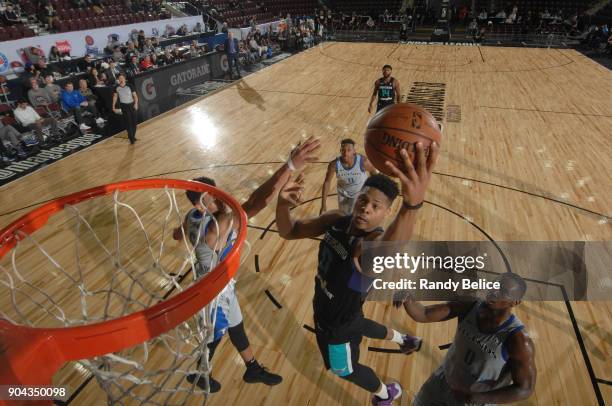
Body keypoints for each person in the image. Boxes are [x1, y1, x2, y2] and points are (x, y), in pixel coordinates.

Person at [275, 142, 439, 405]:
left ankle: (386, 394)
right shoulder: (336, 220)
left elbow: (388, 250)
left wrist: (412, 206)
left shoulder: (370, 242)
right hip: (335, 308)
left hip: (337, 325)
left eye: (376, 207)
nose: (366, 209)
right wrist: (282, 206)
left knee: (345, 369)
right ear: (357, 197)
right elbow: (289, 231)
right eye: (364, 200)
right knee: (359, 322)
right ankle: (403, 338)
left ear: (386, 213)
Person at [174, 137, 321, 393]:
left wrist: (181, 234)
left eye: (217, 193)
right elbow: (256, 203)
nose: (219, 200)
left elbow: (179, 232)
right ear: (200, 205)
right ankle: (200, 372)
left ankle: (252, 368)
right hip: (212, 294)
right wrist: (289, 166)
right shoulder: (215, 227)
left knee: (237, 326)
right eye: (212, 198)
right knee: (215, 335)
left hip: (222, 285)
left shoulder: (192, 216)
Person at [397, 273, 536, 405]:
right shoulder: (470, 305)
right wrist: (406, 296)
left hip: (475, 401)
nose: (494, 291)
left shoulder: (518, 340)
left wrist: (479, 398)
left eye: (503, 291)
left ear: (515, 302)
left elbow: (525, 389)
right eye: (495, 284)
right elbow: (424, 314)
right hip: (441, 382)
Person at [320, 138, 377, 215]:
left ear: (354, 151)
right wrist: (323, 205)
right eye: (343, 150)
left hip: (360, 191)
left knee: (356, 215)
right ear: (340, 151)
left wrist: (373, 193)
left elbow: (375, 175)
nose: (346, 153)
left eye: (349, 150)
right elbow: (327, 182)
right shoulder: (334, 165)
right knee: (344, 215)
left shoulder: (363, 161)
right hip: (343, 193)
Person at [112, 73, 139, 145]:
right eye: (120, 78)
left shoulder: (130, 86)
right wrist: (113, 106)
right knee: (128, 122)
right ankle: (131, 138)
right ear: (118, 79)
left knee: (134, 122)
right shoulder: (116, 87)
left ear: (124, 78)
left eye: (122, 78)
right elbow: (115, 97)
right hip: (124, 106)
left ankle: (132, 135)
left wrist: (136, 104)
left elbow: (135, 96)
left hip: (132, 105)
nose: (121, 79)